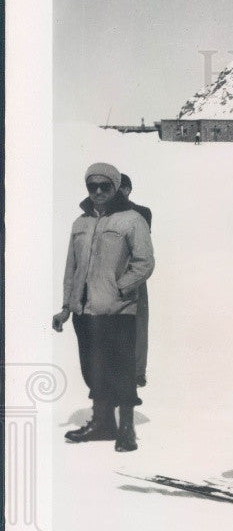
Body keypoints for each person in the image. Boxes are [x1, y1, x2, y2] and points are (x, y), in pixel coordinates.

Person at [54, 162, 154, 452]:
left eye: (104, 186)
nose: (97, 191)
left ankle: (126, 430)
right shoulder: (80, 223)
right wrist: (66, 306)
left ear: (115, 186)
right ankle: (102, 424)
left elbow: (144, 263)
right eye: (92, 186)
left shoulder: (132, 220)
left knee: (122, 369)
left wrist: (120, 289)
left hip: (118, 310)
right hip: (85, 311)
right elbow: (71, 268)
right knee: (93, 369)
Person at [119, 174, 153, 387]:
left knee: (139, 324)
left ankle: (138, 371)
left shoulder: (142, 212)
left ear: (128, 189)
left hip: (135, 274)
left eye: (121, 188)